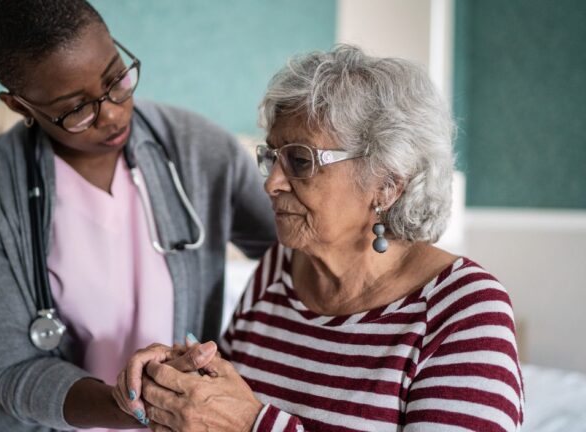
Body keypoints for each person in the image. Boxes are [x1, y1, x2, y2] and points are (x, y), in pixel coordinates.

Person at [115, 45, 524, 431]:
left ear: (386, 184)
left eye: (299, 160)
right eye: (272, 157)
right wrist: (182, 381)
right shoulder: (280, 269)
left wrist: (252, 426)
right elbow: (228, 404)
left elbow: (242, 419)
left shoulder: (463, 310)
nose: (271, 183)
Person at [0, 0, 276, 430]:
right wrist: (139, 406)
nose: (114, 113)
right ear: (20, 106)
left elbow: (299, 249)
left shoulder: (200, 150)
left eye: (116, 78)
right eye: (76, 108)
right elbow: (15, 371)